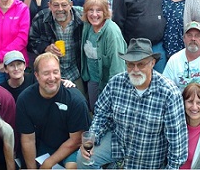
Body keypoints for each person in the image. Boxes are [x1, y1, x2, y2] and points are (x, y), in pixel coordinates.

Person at [79, 38, 187, 169]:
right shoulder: (116, 83)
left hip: (148, 158)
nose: (135, 69)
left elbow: (177, 144)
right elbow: (101, 114)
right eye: (130, 64)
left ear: (152, 63)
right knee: (82, 157)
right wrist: (93, 136)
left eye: (141, 64)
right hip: (118, 145)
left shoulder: (169, 93)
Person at [17, 53, 90, 169]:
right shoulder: (25, 99)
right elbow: (28, 140)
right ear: (37, 75)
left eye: (55, 72)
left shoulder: (76, 100)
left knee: (72, 167)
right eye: (46, 73)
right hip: (45, 145)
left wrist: (49, 163)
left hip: (72, 148)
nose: (52, 78)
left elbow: (76, 140)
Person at [28, 0, 85, 90]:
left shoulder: (82, 17)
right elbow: (31, 41)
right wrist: (45, 48)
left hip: (76, 71)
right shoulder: (41, 18)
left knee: (79, 101)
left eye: (64, 5)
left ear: (71, 4)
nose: (60, 9)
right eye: (55, 5)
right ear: (49, 5)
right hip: (50, 73)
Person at [79, 0, 126, 109]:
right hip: (93, 79)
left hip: (108, 83)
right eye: (90, 10)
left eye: (98, 10)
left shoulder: (111, 32)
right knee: (95, 111)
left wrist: (113, 92)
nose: (94, 15)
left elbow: (117, 66)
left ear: (105, 12)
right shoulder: (88, 26)